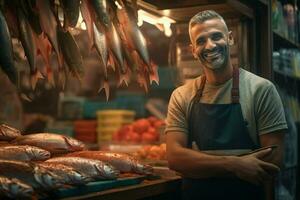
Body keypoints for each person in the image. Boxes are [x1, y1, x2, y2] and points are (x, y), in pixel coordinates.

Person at [165, 10, 287, 200]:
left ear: (230, 38)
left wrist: (198, 164)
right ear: (193, 51)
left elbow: (274, 160)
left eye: (216, 36)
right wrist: (236, 164)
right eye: (201, 41)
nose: (210, 45)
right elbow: (175, 158)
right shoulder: (181, 96)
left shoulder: (261, 90)